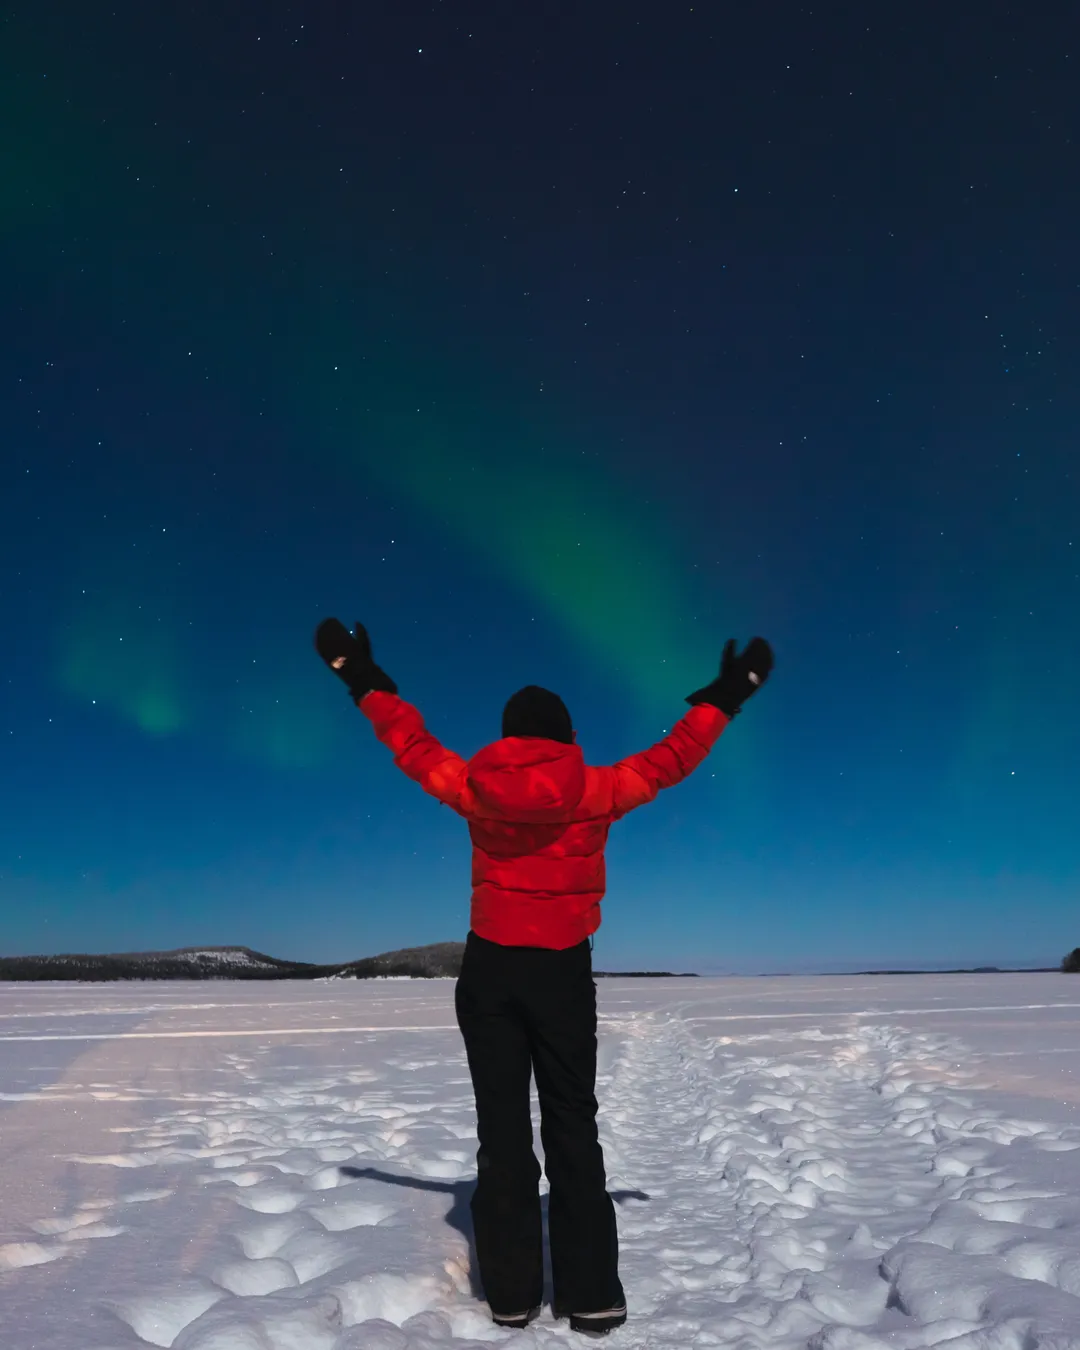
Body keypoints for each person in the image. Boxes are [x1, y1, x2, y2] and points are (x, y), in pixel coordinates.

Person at [315, 618, 774, 1335]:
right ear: (564, 737)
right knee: (571, 1125)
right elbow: (673, 759)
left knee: (501, 1134)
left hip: (491, 972)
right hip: (562, 974)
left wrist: (363, 678)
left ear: (507, 738)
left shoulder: (473, 782)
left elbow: (410, 745)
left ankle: (512, 1294)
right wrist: (727, 694)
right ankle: (591, 1296)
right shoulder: (597, 788)